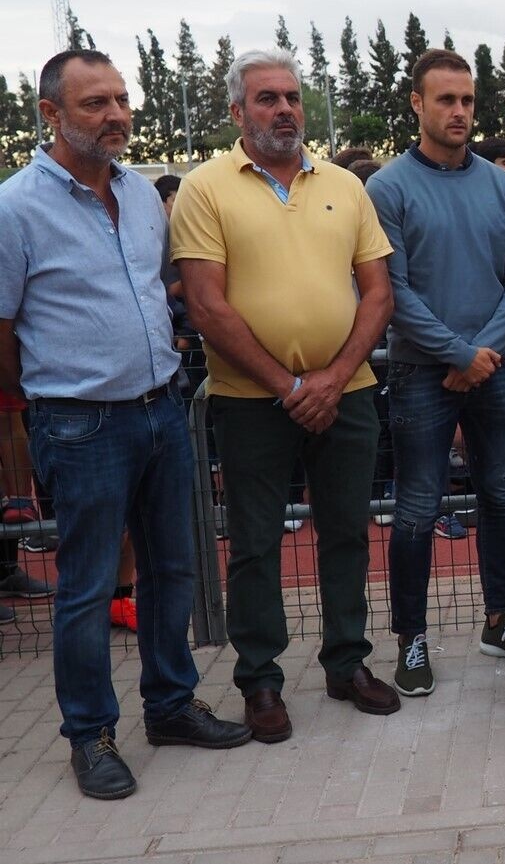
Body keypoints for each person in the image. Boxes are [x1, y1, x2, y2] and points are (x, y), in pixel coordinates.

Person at [0, 49, 251, 800]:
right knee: (85, 588)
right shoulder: (15, 208)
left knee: (174, 568)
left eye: (120, 99)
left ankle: (170, 705)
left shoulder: (141, 193)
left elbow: (159, 286)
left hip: (161, 409)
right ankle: (91, 734)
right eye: (95, 103)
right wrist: (49, 395)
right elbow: (1, 332)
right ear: (51, 114)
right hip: (80, 425)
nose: (115, 114)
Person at [173, 47, 399, 741]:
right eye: (267, 98)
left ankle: (346, 662)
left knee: (347, 533)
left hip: (347, 392)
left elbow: (378, 293)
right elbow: (206, 305)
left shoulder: (345, 185)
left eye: (292, 97)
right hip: (250, 401)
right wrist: (290, 385)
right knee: (254, 543)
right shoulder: (205, 188)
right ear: (237, 111)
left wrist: (331, 379)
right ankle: (260, 680)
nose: (283, 109)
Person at [364, 48, 505, 696]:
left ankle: (499, 620)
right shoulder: (387, 188)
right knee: (415, 508)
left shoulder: (504, 187)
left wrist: (481, 353)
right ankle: (411, 640)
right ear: (417, 103)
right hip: (421, 372)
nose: (459, 111)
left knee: (499, 495)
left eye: (466, 100)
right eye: (446, 99)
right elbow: (394, 291)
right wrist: (460, 355)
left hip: (498, 367)